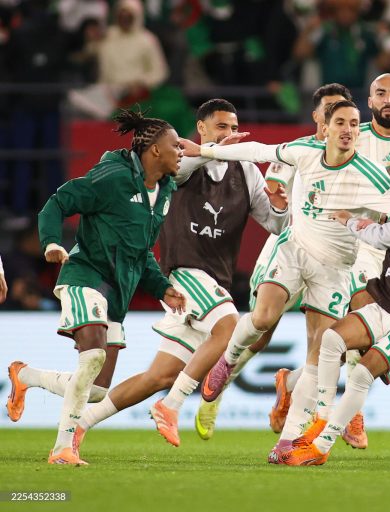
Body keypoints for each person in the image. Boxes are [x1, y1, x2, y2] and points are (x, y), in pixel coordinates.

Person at [179, 100, 390, 458]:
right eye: (341, 122)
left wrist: (380, 227)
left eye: (354, 123)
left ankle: (288, 440)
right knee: (264, 318)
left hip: (334, 269)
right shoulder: (304, 151)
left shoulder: (372, 176)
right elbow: (259, 149)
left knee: (320, 353)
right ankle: (228, 360)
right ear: (327, 128)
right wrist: (205, 150)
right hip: (293, 249)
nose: (348, 129)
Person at [252, 73, 390, 450]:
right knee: (339, 331)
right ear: (369, 101)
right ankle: (344, 414)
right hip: (357, 248)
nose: (388, 99)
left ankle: (294, 386)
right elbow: (303, 161)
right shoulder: (352, 134)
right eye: (380, 93)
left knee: (346, 342)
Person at [71, 99, 290, 451]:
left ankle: (78, 426)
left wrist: (281, 207)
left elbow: (275, 224)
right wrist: (212, 150)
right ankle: (171, 406)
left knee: (160, 375)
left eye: (234, 128)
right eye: (221, 127)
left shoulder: (247, 171)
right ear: (201, 128)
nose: (230, 135)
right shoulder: (182, 158)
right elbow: (185, 166)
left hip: (213, 281)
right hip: (184, 271)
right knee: (229, 326)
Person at [6, 109, 187, 465]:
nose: (181, 151)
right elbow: (59, 202)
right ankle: (63, 449)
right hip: (84, 276)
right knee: (93, 356)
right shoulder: (113, 176)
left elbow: (141, 252)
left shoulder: (164, 192)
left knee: (97, 390)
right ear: (154, 151)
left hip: (117, 293)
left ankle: (24, 375)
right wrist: (51, 243)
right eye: (175, 145)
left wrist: (161, 286)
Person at [278, 146, 390, 466]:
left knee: (361, 375)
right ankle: (320, 419)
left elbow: (384, 237)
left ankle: (321, 446)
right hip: (389, 305)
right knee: (331, 339)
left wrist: (352, 221)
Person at [192, 84, 352, 441]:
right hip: (291, 248)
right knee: (262, 330)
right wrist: (279, 200)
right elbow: (275, 195)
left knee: (332, 342)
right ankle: (219, 383)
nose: (337, 125)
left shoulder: (358, 156)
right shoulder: (296, 151)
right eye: (330, 114)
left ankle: (306, 408)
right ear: (318, 117)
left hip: (333, 260)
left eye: (344, 118)